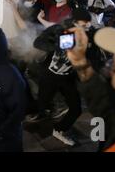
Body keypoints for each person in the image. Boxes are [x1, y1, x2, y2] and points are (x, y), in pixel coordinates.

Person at [30, 9, 104, 146]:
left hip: (67, 77)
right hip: (50, 75)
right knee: (42, 105)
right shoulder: (60, 29)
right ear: (75, 22)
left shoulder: (89, 34)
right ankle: (38, 117)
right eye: (82, 25)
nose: (85, 28)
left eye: (87, 25)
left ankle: (60, 130)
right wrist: (57, 46)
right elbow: (38, 43)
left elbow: (95, 59)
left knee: (76, 108)